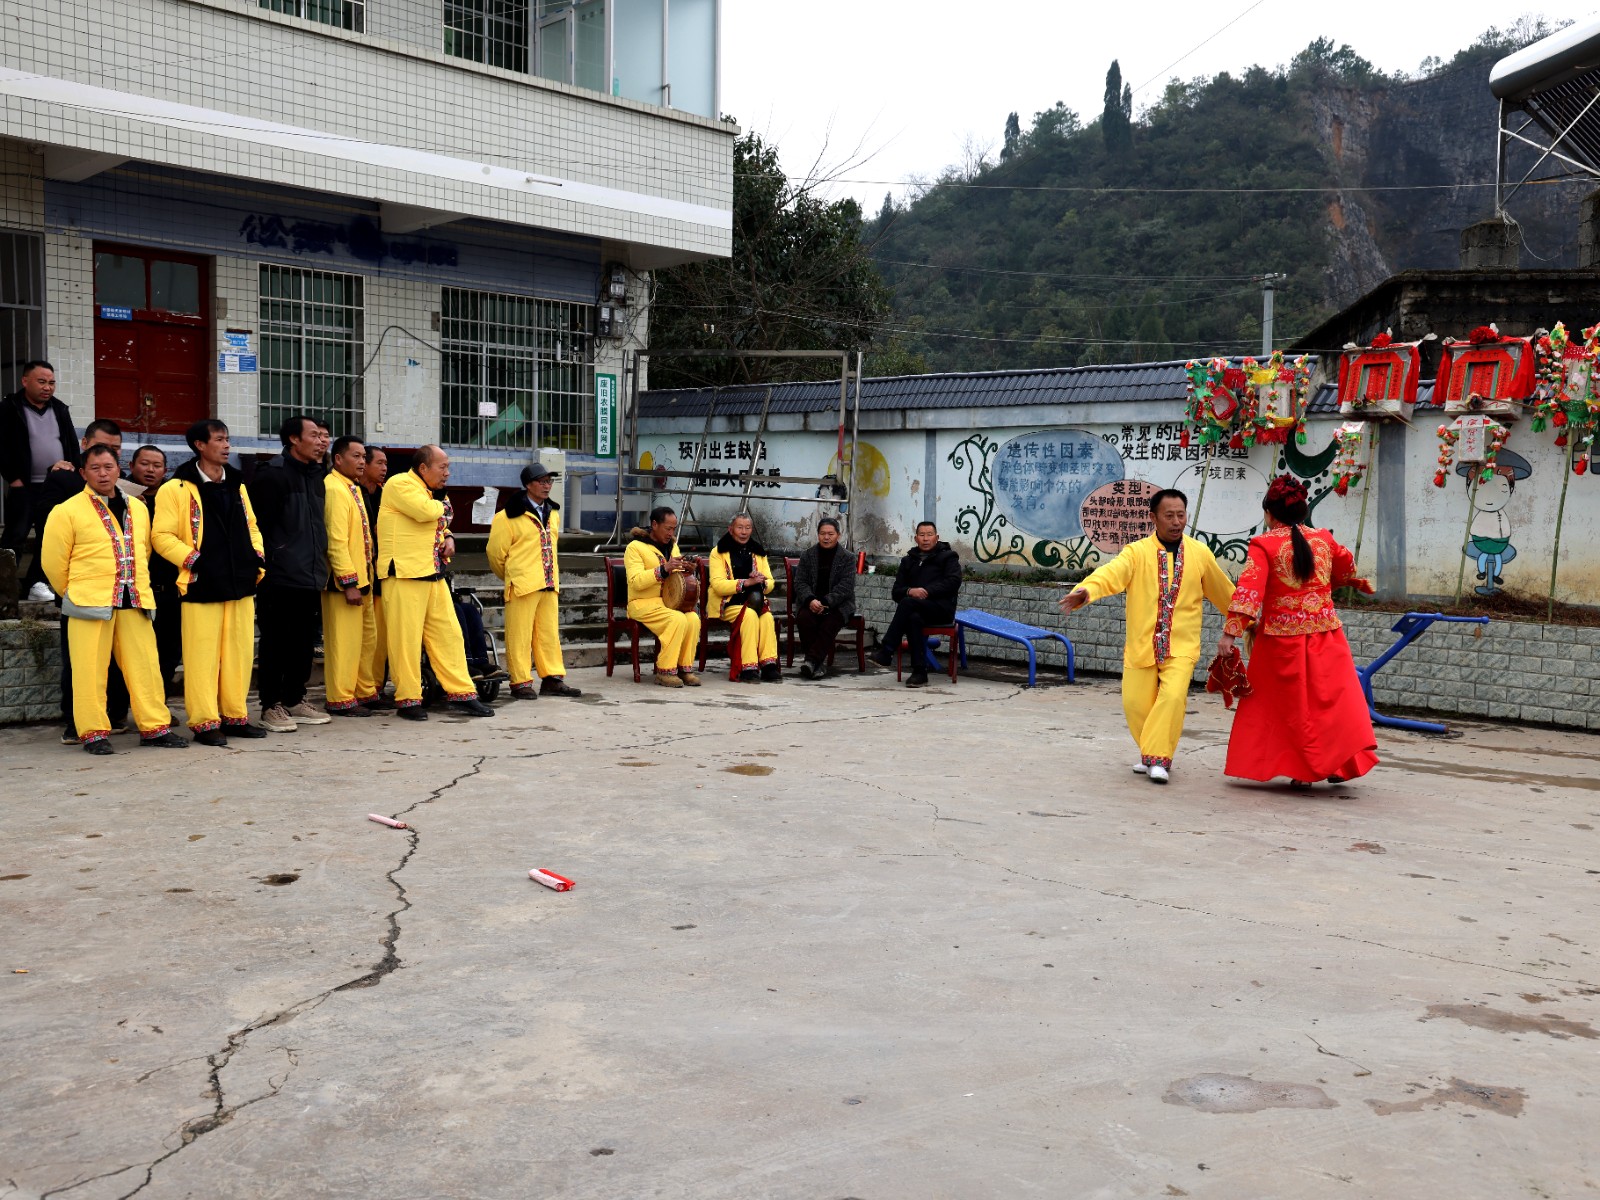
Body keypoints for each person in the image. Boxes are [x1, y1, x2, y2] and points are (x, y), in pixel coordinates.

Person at [1059, 488, 1234, 785]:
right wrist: (1087, 591)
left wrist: (1243, 621)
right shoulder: (1136, 553)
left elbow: (1224, 592)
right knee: (1135, 704)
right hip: (1142, 643)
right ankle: (1150, 753)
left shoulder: (1200, 554)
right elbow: (1111, 574)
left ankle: (1158, 758)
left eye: (1181, 515)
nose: (1177, 521)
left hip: (1182, 644)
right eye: (1169, 515)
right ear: (1153, 518)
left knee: (1173, 697)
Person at [1218, 475, 1379, 786]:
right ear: (1303, 511)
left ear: (1269, 514)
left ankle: (1304, 769)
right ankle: (1332, 764)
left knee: (1289, 708)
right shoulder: (1323, 539)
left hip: (1282, 641)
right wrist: (1320, 590)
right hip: (1326, 635)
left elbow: (1250, 590)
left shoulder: (1264, 544)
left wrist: (1231, 633)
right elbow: (1347, 568)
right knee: (1328, 704)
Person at [40, 444, 187, 754]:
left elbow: (143, 552)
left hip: (134, 599)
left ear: (119, 469)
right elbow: (53, 563)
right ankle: (93, 732)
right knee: (89, 670)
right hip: (88, 602)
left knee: (144, 666)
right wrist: (75, 592)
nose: (103, 473)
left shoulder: (139, 507)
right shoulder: (66, 511)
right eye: (95, 468)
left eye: (108, 467)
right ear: (83, 473)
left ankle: (153, 728)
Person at [153, 420, 269, 747]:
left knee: (239, 654)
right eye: (219, 439)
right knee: (202, 657)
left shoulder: (236, 483)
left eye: (228, 439)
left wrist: (256, 557)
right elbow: (161, 536)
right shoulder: (175, 488)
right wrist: (195, 560)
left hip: (240, 582)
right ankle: (204, 723)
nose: (227, 445)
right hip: (201, 585)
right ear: (200, 445)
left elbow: (251, 525)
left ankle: (235, 717)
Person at [376, 445, 494, 720]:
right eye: (443, 468)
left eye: (448, 467)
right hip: (404, 574)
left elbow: (441, 519)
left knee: (450, 635)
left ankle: (463, 693)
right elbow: (425, 512)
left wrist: (449, 536)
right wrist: (444, 508)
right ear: (423, 468)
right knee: (405, 641)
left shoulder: (431, 492)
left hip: (433, 573)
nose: (447, 473)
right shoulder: (400, 483)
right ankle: (408, 699)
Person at [41, 420, 128, 744]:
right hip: (82, 592)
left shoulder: (127, 496)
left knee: (118, 663)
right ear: (84, 446)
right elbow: (54, 553)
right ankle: (75, 724)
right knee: (80, 662)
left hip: (122, 592)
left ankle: (116, 715)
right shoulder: (63, 481)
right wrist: (71, 591)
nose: (104, 467)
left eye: (115, 453)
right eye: (98, 451)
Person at [248, 415, 331, 731]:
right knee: (275, 642)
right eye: (314, 435)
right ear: (294, 439)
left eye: (323, 436)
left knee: (303, 642)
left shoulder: (317, 476)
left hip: (310, 572)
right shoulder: (273, 477)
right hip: (279, 575)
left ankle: (295, 699)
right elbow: (260, 527)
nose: (321, 441)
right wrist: (270, 563)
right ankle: (271, 705)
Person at [488, 462, 581, 699]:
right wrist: (512, 575)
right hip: (522, 584)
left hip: (549, 582)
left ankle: (552, 678)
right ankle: (520, 682)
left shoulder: (553, 513)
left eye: (549, 481)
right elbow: (495, 554)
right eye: (541, 481)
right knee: (519, 635)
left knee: (548, 634)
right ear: (528, 485)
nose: (546, 485)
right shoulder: (506, 516)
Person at [0, 360, 79, 600]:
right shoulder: (9, 407)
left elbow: (71, 445)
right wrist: (13, 479)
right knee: (16, 535)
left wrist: (73, 471)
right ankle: (5, 588)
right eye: (42, 382)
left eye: (51, 383)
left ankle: (37, 584)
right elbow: (1, 446)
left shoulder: (60, 409)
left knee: (50, 536)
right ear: (25, 381)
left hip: (54, 487)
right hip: (23, 485)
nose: (47, 387)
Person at [322, 435, 377, 718]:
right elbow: (335, 540)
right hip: (345, 583)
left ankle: (364, 691)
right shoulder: (333, 488)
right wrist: (348, 581)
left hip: (364, 576)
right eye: (355, 456)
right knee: (343, 642)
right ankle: (340, 698)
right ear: (338, 459)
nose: (361, 462)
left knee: (366, 640)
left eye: (364, 457)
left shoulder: (351, 487)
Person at [870, 521, 961, 688]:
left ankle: (887, 650)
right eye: (922, 535)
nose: (925, 539)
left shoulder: (948, 557)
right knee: (912, 616)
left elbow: (953, 582)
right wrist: (910, 591)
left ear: (937, 537)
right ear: (916, 538)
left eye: (929, 534)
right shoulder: (908, 561)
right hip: (914, 608)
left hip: (940, 609)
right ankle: (920, 672)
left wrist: (926, 591)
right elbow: (896, 591)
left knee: (908, 604)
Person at [624, 506, 702, 688]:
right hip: (641, 603)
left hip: (667, 602)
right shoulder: (635, 547)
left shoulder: (672, 546)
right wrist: (663, 569)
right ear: (654, 524)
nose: (671, 533)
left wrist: (687, 569)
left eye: (673, 529)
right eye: (668, 528)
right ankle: (665, 671)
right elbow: (635, 582)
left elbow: (676, 576)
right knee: (677, 619)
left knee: (692, 618)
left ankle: (684, 668)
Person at [127, 445, 182, 695]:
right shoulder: (119, 495)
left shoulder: (173, 496)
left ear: (165, 470)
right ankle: (118, 710)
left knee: (168, 653)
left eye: (157, 465)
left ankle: (158, 707)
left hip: (168, 589)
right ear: (131, 466)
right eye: (144, 464)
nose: (150, 470)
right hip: (132, 589)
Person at [707, 511, 779, 682]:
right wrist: (746, 583)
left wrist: (761, 581)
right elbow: (717, 585)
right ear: (730, 529)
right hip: (729, 603)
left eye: (747, 528)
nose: (744, 532)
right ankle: (749, 667)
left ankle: (769, 666)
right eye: (740, 527)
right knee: (750, 616)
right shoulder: (718, 552)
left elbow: (771, 582)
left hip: (755, 601)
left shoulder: (758, 551)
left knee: (767, 618)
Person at [793, 516, 856, 680]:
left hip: (837, 605)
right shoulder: (807, 555)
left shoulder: (848, 558)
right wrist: (810, 600)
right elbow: (800, 582)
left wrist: (826, 602)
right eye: (822, 534)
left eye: (830, 534)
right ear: (818, 535)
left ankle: (811, 661)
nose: (826, 537)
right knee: (805, 619)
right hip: (810, 602)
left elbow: (846, 587)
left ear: (838, 535)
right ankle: (817, 665)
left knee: (830, 622)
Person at [356, 445, 391, 709]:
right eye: (379, 463)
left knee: (379, 637)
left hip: (384, 570)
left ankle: (374, 686)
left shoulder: (387, 494)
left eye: (386, 464)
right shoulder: (352, 493)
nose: (384, 468)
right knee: (366, 636)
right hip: (358, 572)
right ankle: (362, 687)